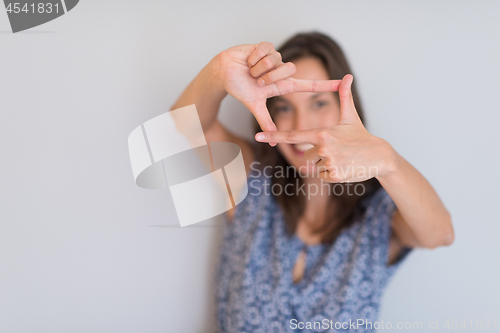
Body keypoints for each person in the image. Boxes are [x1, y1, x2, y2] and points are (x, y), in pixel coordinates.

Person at [170, 31, 454, 333]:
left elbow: (439, 234)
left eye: (318, 104)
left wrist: (388, 161)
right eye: (284, 107)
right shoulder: (253, 179)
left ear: (347, 109)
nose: (302, 126)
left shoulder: (378, 211)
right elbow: (183, 126)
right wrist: (219, 71)